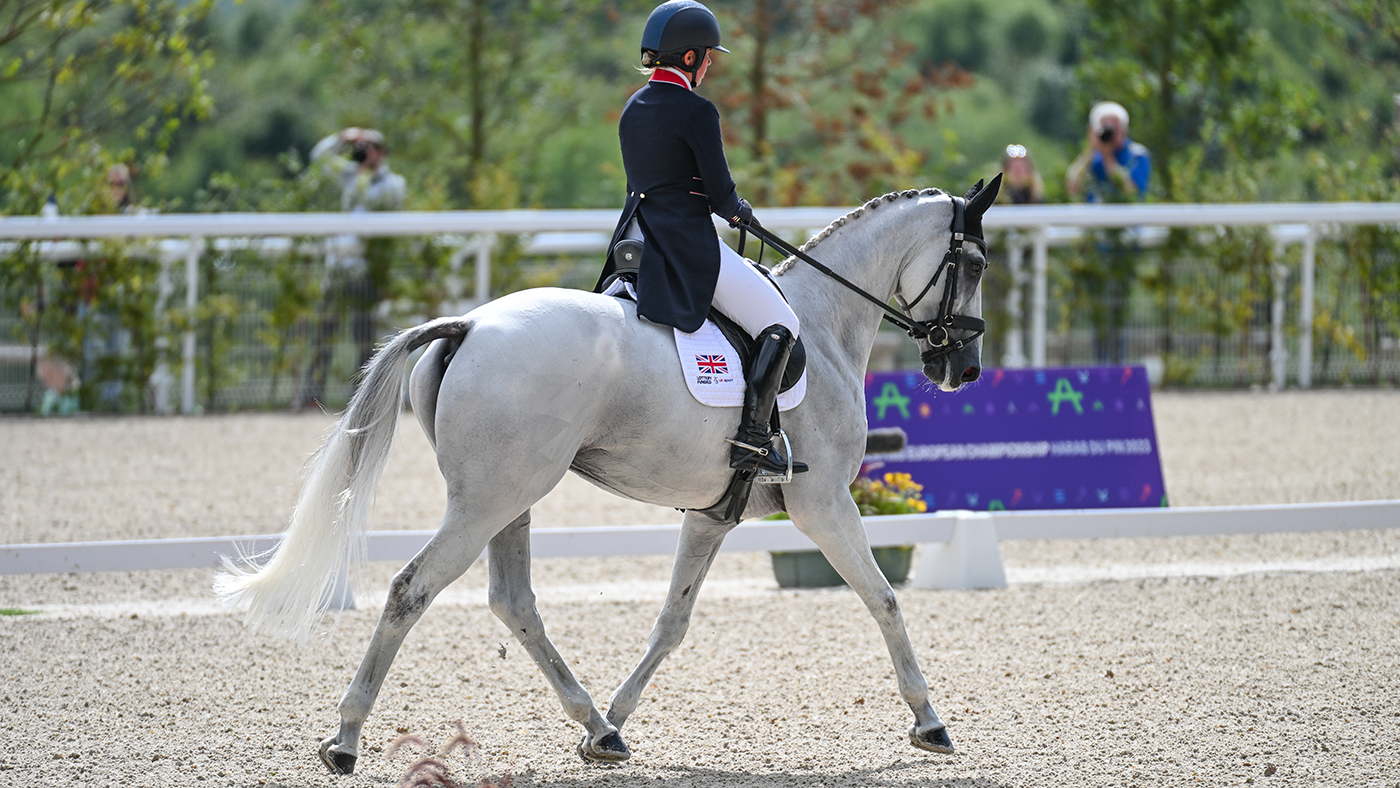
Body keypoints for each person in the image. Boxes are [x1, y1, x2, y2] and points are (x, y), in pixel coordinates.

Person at [593, 0, 806, 478]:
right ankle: (754, 439)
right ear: (689, 58)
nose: (710, 63)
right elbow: (719, 193)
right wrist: (741, 213)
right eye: (707, 55)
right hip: (685, 243)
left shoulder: (633, 107)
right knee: (781, 322)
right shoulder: (696, 111)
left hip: (636, 236)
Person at [297, 128, 407, 409]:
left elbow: (375, 203)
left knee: (363, 337)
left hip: (365, 271)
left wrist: (364, 174)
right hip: (337, 269)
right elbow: (319, 159)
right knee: (324, 334)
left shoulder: (393, 184)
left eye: (369, 147)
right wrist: (342, 138)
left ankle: (361, 398)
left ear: (381, 152)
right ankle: (311, 395)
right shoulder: (350, 174)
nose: (363, 152)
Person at [1065, 101, 1150, 203]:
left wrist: (1107, 156)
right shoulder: (1093, 157)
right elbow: (1072, 188)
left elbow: (1131, 192)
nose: (1109, 134)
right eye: (1104, 128)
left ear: (1124, 131)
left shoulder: (1137, 155)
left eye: (1114, 129)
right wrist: (1090, 149)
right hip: (1095, 217)